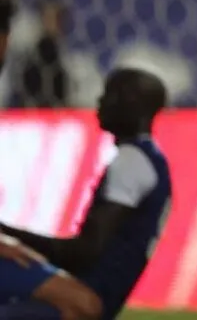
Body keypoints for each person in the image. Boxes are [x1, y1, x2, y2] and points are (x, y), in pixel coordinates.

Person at [0, 67, 171, 320]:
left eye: (109, 94)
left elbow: (82, 253)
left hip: (84, 296)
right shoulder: (153, 161)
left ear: (131, 102)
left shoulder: (131, 161)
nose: (99, 101)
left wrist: (8, 234)